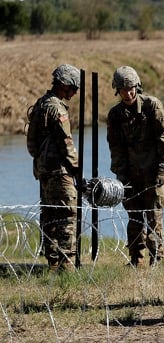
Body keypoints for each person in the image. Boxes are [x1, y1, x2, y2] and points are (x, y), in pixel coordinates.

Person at [107, 66, 164, 267]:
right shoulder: (115, 114)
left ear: (137, 86)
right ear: (117, 90)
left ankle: (157, 259)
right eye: (124, 89)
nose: (129, 93)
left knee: (154, 218)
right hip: (130, 174)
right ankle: (136, 258)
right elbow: (115, 147)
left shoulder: (152, 106)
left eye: (131, 88)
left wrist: (161, 168)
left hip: (152, 172)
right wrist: (121, 176)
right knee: (134, 218)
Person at [26, 64, 80, 272]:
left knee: (49, 216)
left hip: (43, 171)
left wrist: (41, 162)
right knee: (67, 215)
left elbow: (31, 144)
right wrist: (76, 169)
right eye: (73, 88)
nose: (75, 93)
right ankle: (67, 264)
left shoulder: (40, 105)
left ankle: (53, 263)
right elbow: (67, 144)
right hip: (59, 171)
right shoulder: (57, 109)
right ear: (64, 85)